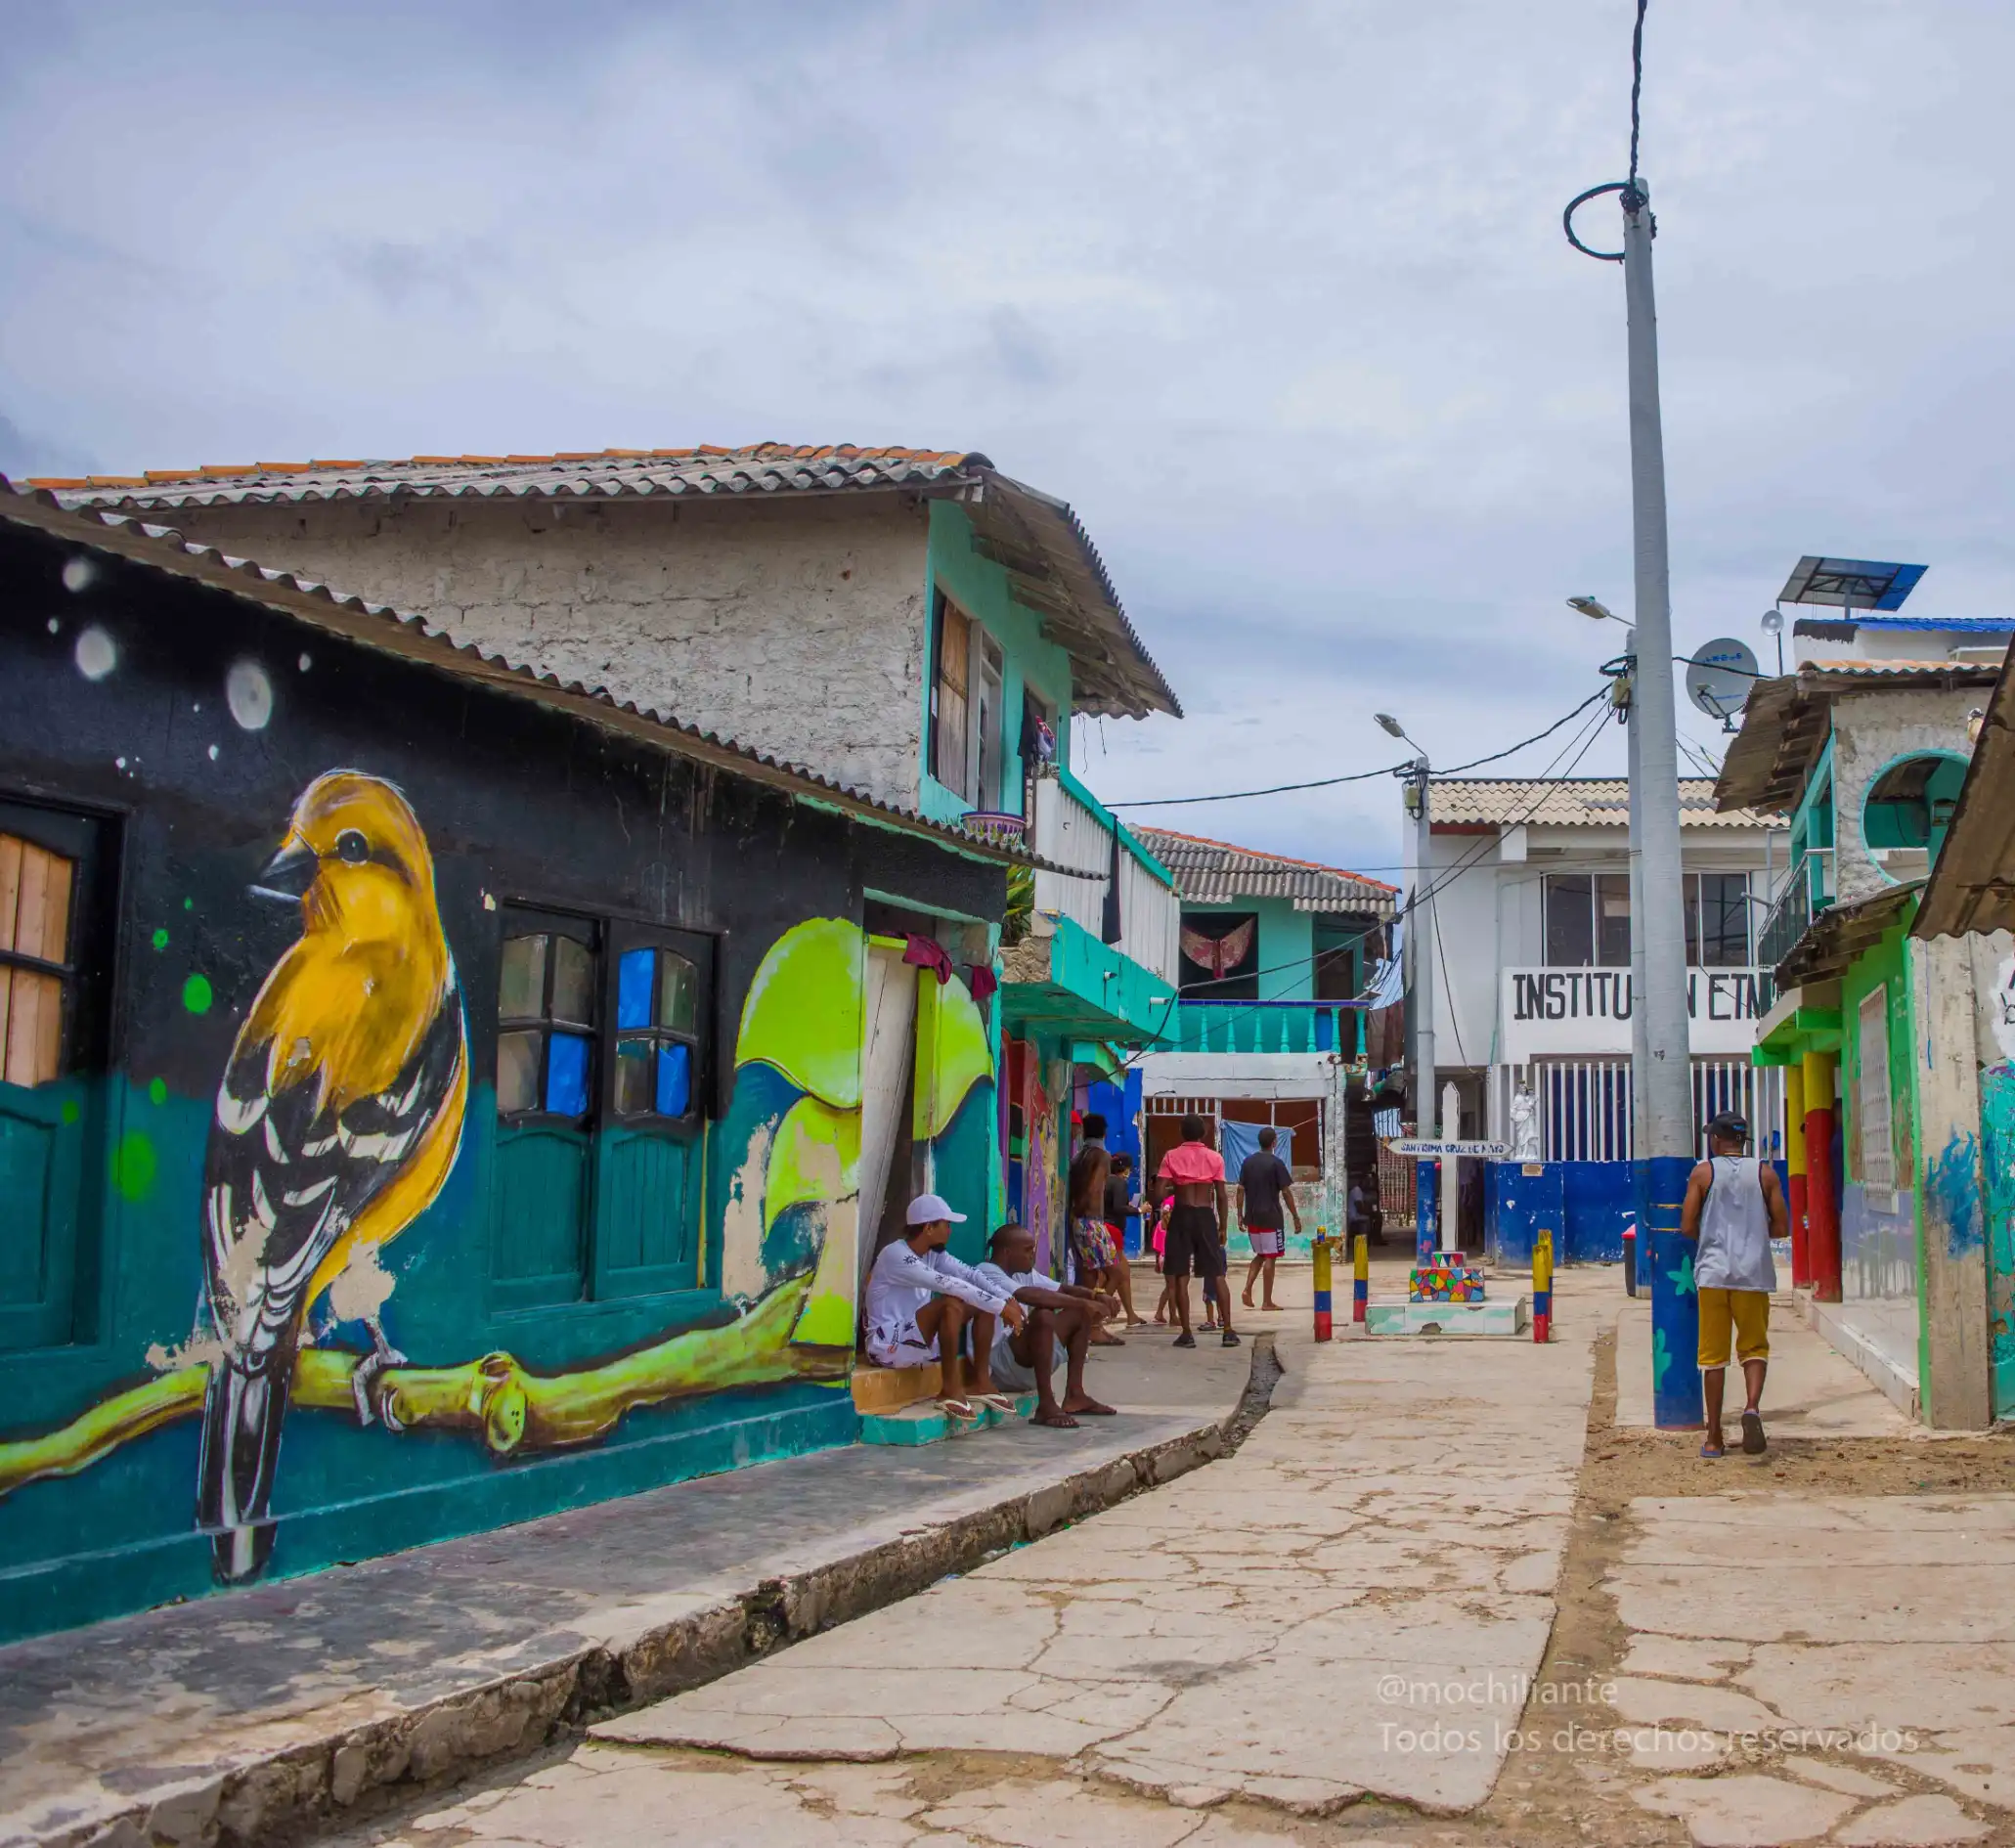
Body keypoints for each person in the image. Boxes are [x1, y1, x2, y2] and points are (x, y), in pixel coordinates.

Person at [1679, 1111, 1788, 1458]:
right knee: (1754, 1348)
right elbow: (1782, 1226)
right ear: (1743, 1140)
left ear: (1715, 1139)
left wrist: (1710, 1236)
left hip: (1713, 1274)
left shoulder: (1703, 1173)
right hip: (1753, 1274)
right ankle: (1752, 1407)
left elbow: (1686, 1225)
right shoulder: (1765, 1173)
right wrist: (1753, 1234)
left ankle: (1714, 1437)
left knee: (1712, 1357)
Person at [863, 1193, 1025, 1418]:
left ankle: (981, 1382)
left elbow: (969, 1274)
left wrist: (1006, 1298)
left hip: (918, 1341)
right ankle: (950, 1390)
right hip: (887, 1343)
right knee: (950, 1302)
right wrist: (1002, 1307)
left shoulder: (933, 1255)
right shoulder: (896, 1255)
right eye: (946, 1225)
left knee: (980, 1304)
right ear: (928, 1228)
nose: (950, 1231)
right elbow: (949, 1284)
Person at [976, 1222, 1119, 1427]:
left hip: (1021, 1362)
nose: (1032, 1255)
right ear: (1007, 1252)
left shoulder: (1023, 1273)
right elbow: (1029, 1295)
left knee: (1079, 1313)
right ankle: (1046, 1405)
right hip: (999, 1366)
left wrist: (1096, 1295)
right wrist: (1084, 1302)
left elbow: (1061, 1289)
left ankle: (1075, 1394)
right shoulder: (986, 1271)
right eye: (1027, 1250)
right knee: (1043, 1316)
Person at [1152, 1115, 1237, 1348]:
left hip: (1181, 1215)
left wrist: (1171, 1190)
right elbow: (1221, 1196)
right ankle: (1228, 1331)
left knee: (1180, 1275)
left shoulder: (1171, 1156)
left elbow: (1159, 1192)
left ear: (1182, 1132)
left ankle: (1187, 1333)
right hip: (1205, 1216)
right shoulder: (1215, 1157)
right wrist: (1222, 1226)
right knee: (1217, 1273)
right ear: (1203, 1133)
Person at [1068, 1114, 1124, 1345]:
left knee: (1089, 1276)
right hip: (1090, 1221)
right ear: (1104, 1132)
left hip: (1080, 1220)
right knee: (1116, 1273)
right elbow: (1092, 1188)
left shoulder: (1079, 1156)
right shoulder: (1101, 1156)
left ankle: (1088, 1325)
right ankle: (1093, 1323)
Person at [1238, 1127, 1300, 1311]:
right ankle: (1267, 1302)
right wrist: (1295, 1216)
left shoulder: (1248, 1162)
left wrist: (1240, 1215)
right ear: (1274, 1143)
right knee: (1270, 1257)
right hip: (1271, 1217)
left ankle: (1247, 1289)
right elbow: (1286, 1192)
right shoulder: (1276, 1163)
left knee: (1260, 1254)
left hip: (1252, 1217)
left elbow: (1240, 1190)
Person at [1102, 1153, 1150, 1328]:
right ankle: (1096, 1313)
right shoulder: (1120, 1183)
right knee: (1120, 1273)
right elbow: (1119, 1208)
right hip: (1113, 1231)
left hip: (1105, 1230)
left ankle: (1130, 1315)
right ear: (1126, 1169)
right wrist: (1139, 1210)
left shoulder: (1106, 1181)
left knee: (1118, 1274)